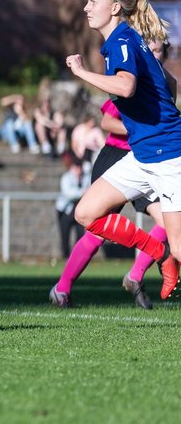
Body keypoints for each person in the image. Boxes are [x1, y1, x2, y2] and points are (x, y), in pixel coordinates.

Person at [64, 0, 181, 302]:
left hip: (169, 155)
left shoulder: (122, 41)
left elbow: (126, 86)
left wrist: (82, 73)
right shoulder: (128, 39)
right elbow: (169, 84)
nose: (86, 7)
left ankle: (170, 253)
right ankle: (159, 251)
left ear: (114, 7)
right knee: (86, 213)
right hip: (144, 155)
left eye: (93, 1)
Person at [51, 38, 175, 309]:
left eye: (157, 51)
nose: (152, 54)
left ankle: (135, 274)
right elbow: (107, 120)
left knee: (168, 223)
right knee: (97, 229)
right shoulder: (129, 77)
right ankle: (62, 288)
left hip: (148, 162)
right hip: (117, 158)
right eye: (149, 49)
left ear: (165, 55)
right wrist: (141, 133)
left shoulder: (162, 84)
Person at [54, 155, 88, 258]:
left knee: (80, 235)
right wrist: (82, 192)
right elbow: (68, 193)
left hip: (79, 211)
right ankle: (65, 256)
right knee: (65, 235)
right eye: (76, 167)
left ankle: (77, 256)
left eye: (80, 167)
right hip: (65, 211)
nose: (78, 170)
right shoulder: (66, 177)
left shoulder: (85, 177)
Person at [33, 80, 67, 157]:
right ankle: (46, 147)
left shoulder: (53, 111)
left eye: (48, 101)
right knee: (39, 125)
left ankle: (61, 148)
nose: (46, 104)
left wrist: (56, 126)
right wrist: (53, 125)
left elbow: (60, 120)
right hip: (41, 134)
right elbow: (41, 120)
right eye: (44, 102)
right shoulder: (37, 110)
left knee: (62, 129)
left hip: (52, 132)